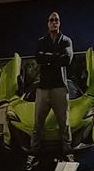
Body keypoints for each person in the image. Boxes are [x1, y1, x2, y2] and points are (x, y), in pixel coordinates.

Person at [32, 11, 77, 152]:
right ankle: (34, 152)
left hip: (59, 88)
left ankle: (67, 151)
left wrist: (47, 57)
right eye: (51, 20)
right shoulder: (41, 41)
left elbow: (67, 59)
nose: (54, 22)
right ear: (48, 24)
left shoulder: (66, 41)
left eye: (56, 20)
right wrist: (56, 56)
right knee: (37, 123)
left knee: (64, 123)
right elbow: (38, 58)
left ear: (59, 23)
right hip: (43, 88)